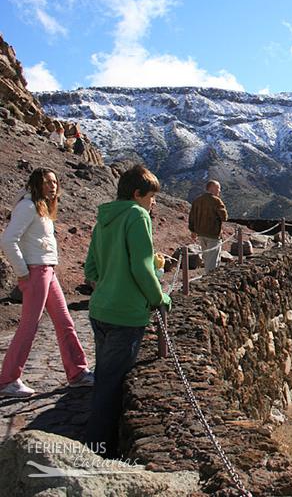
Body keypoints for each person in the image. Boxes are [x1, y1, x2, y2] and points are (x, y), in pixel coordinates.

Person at [83, 164, 171, 457]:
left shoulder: (103, 219)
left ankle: (95, 444)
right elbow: (141, 266)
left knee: (103, 378)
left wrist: (109, 284)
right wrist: (159, 298)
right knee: (111, 387)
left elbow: (91, 268)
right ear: (137, 194)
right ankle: (98, 452)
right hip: (126, 315)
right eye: (151, 197)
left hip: (100, 311)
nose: (154, 203)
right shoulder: (137, 215)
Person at [0, 168, 93, 397]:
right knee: (29, 326)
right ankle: (8, 379)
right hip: (35, 271)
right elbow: (8, 239)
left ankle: (77, 372)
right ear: (36, 184)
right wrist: (22, 272)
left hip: (47, 271)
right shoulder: (27, 206)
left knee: (64, 321)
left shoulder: (41, 207)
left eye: (55, 181)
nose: (53, 186)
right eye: (47, 182)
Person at [188, 180, 228, 272]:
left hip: (201, 234)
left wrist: (193, 231)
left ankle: (211, 277)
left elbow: (191, 217)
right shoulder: (216, 200)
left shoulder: (197, 200)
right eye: (218, 188)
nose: (219, 190)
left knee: (207, 258)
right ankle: (209, 282)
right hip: (213, 235)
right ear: (212, 188)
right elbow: (224, 217)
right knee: (213, 261)